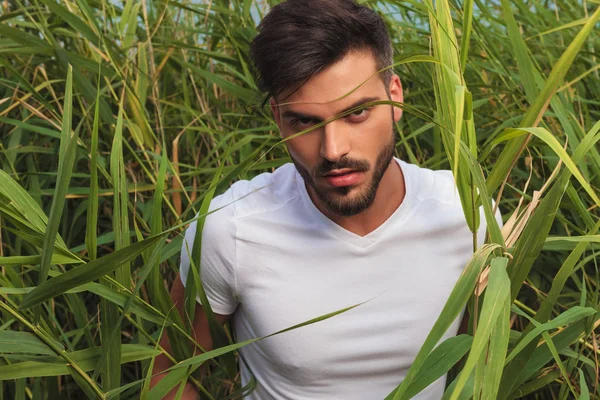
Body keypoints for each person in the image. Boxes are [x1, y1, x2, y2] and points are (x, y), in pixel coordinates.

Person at [151, 0, 501, 398]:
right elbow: (167, 376)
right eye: (304, 121)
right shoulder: (230, 230)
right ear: (276, 118)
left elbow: (489, 364)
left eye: (357, 113)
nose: (333, 150)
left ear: (395, 95)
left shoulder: (467, 214)